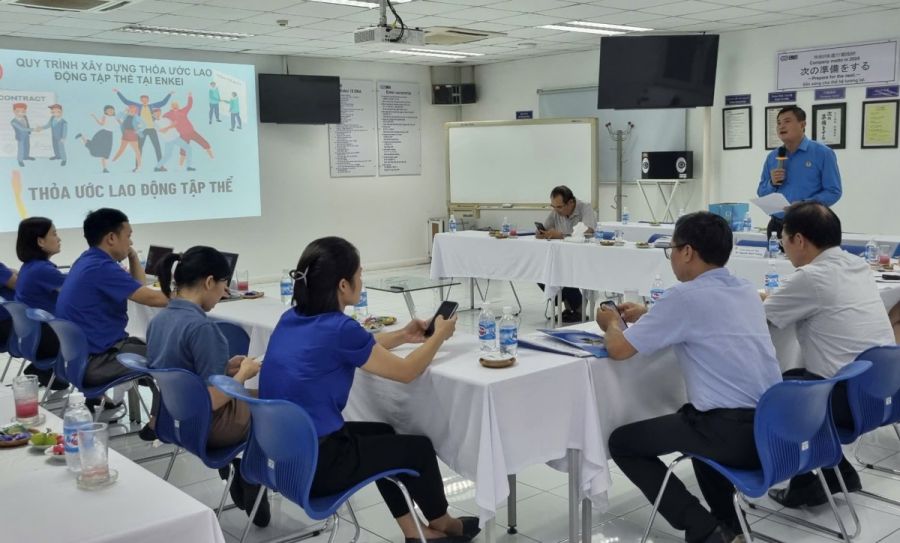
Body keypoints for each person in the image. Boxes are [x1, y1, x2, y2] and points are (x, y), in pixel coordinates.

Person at [260, 237, 479, 543]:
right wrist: (439, 335)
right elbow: (406, 372)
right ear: (343, 285)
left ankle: (415, 532)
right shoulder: (339, 328)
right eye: (359, 274)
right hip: (318, 465)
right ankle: (445, 524)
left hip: (283, 456)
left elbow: (358, 346)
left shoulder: (292, 318)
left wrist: (404, 335)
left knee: (384, 434)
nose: (362, 281)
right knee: (418, 450)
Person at [597, 211, 782, 543]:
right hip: (773, 426)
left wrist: (611, 322)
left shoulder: (683, 296)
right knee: (694, 422)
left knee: (623, 443)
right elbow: (707, 316)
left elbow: (619, 349)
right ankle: (730, 526)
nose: (671, 257)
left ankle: (704, 528)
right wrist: (649, 314)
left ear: (687, 251)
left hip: (731, 433)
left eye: (671, 249)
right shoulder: (744, 289)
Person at [762, 201, 894, 508]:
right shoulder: (858, 265)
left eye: (783, 238)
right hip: (883, 392)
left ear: (799, 240)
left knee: (778, 394)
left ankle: (806, 485)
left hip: (849, 400)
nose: (783, 246)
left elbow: (759, 317)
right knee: (794, 377)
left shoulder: (811, 277)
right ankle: (837, 472)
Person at [146, 246, 268, 526]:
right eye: (224, 285)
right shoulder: (203, 329)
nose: (224, 294)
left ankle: (240, 468)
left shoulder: (160, 320)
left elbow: (184, 374)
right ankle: (252, 474)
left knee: (261, 398)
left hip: (174, 419)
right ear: (210, 281)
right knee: (278, 405)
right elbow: (212, 400)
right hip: (210, 425)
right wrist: (242, 374)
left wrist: (225, 368)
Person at [56, 208, 169, 425]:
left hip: (77, 361)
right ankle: (159, 423)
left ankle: (158, 418)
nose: (131, 242)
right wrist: (196, 295)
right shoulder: (102, 267)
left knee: (153, 345)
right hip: (97, 362)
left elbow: (138, 287)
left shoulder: (87, 260)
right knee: (175, 355)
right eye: (128, 236)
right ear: (111, 238)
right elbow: (152, 298)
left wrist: (132, 255)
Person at [756, 105, 842, 241]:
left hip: (810, 225)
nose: (781, 126)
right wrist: (771, 183)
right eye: (778, 123)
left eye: (787, 121)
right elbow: (761, 192)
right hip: (777, 226)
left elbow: (833, 191)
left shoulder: (823, 153)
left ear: (802, 125)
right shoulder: (772, 157)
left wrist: (804, 205)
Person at [15, 217, 68, 389]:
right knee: (97, 332)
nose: (59, 238)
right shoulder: (42, 270)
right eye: (54, 234)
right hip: (46, 339)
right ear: (40, 241)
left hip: (33, 337)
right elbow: (75, 291)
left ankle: (45, 370)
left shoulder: (31, 266)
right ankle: (96, 395)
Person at [536, 185, 596, 322]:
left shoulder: (585, 208)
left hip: (584, 256)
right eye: (553, 206)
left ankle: (577, 307)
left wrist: (561, 235)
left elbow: (589, 232)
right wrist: (541, 232)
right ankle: (570, 305)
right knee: (541, 270)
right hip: (563, 257)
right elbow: (545, 227)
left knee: (563, 271)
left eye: (559, 207)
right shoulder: (556, 211)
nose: (556, 210)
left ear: (571, 202)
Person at [115, 89, 173, 164]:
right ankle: (137, 166)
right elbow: (126, 101)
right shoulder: (138, 106)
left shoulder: (152, 106)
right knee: (139, 147)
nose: (144, 101)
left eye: (146, 99)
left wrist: (169, 94)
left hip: (152, 129)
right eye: (143, 100)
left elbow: (163, 103)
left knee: (157, 147)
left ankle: (160, 165)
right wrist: (118, 92)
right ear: (141, 100)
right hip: (142, 130)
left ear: (148, 100)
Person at [164, 93, 214, 159]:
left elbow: (189, 105)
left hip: (191, 132)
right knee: (183, 151)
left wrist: (190, 96)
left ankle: (212, 157)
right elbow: (161, 119)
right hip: (183, 135)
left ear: (178, 106)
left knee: (205, 143)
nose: (175, 106)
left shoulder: (183, 111)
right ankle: (180, 164)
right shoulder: (168, 114)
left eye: (176, 105)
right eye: (173, 105)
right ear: (171, 106)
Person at [75, 105, 116, 173]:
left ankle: (104, 168)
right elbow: (101, 124)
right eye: (108, 110)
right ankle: (82, 136)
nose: (110, 111)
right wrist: (94, 117)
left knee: (106, 152)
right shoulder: (105, 116)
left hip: (109, 135)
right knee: (93, 146)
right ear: (105, 112)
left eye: (112, 110)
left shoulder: (115, 117)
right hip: (103, 134)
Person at [112, 104, 144, 172]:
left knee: (137, 150)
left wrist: (137, 130)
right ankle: (113, 161)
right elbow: (117, 117)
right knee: (121, 149)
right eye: (131, 109)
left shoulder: (137, 117)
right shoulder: (125, 115)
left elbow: (144, 125)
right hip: (126, 133)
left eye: (134, 109)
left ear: (136, 111)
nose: (132, 110)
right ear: (129, 109)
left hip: (133, 134)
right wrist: (124, 111)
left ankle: (139, 166)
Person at [10, 103, 36, 167]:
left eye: (23, 111)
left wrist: (29, 132)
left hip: (27, 135)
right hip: (20, 137)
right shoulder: (13, 122)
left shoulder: (25, 117)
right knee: (21, 149)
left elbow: (27, 124)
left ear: (25, 111)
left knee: (27, 146)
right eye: (18, 111)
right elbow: (22, 129)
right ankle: (20, 160)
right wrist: (34, 129)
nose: (20, 113)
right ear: (14, 111)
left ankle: (26, 157)